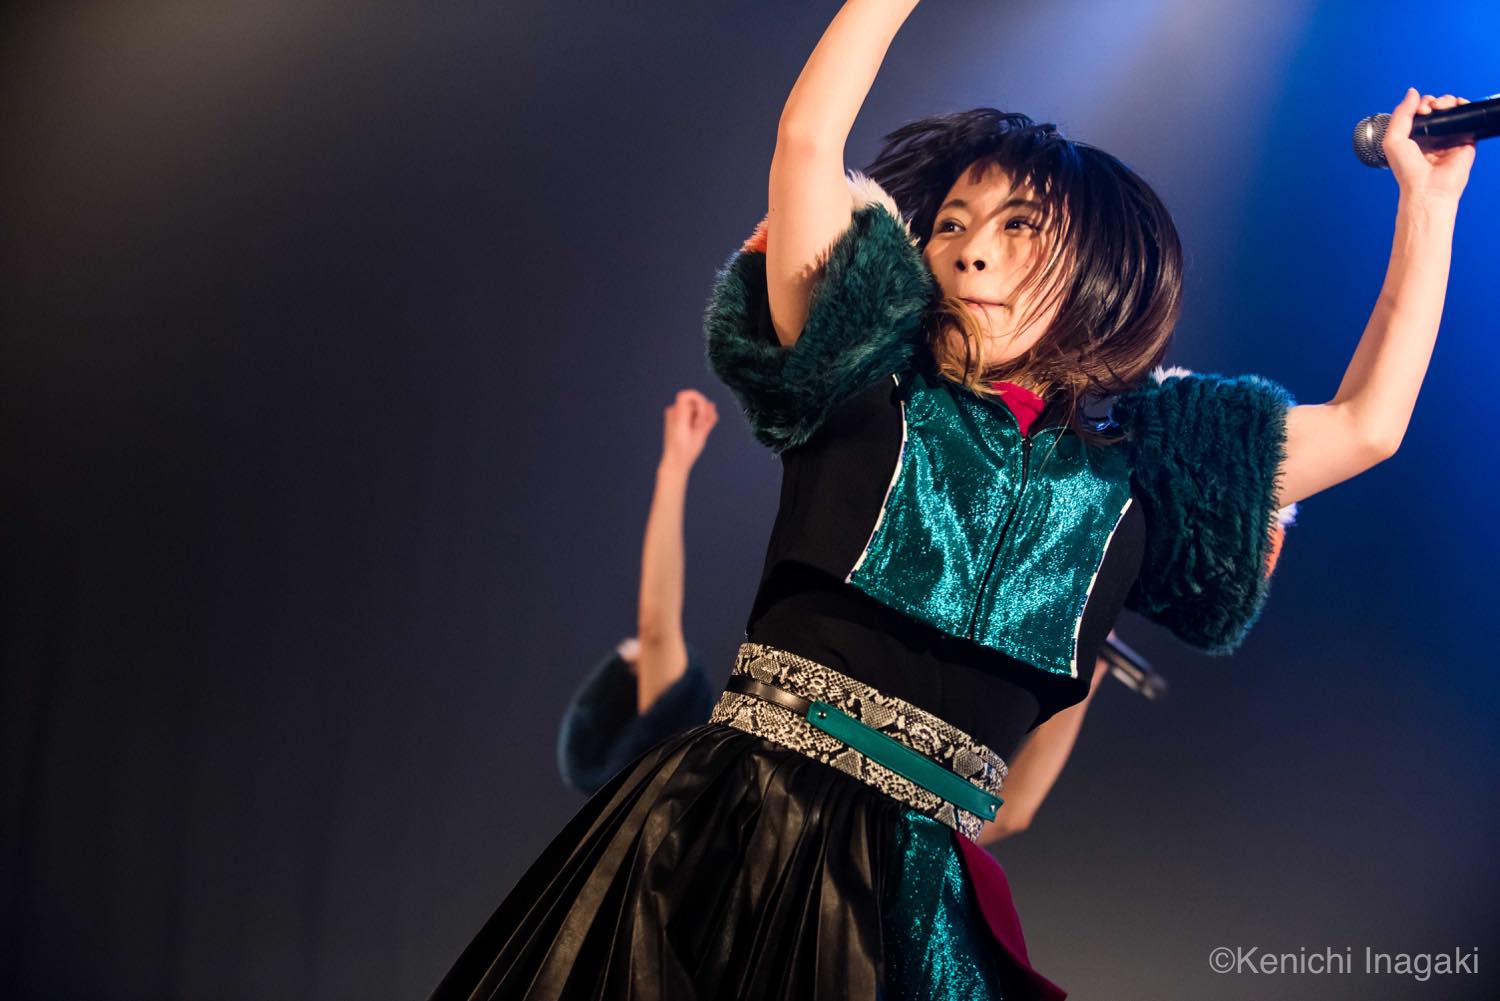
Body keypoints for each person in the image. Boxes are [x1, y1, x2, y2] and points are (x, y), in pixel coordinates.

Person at [429, 2, 1476, 997]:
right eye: (952, 223)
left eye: (1019, 224)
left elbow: (1368, 423)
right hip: (728, 846)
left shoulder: (1138, 487)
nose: (972, 246)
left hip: (920, 911)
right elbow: (808, 142)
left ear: (1098, 267)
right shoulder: (860, 378)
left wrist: (1427, 207)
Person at [556, 388, 1118, 846]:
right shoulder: (708, 771)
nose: (647, 650)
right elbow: (1010, 812)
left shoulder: (670, 834)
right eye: (634, 662)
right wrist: (674, 465)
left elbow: (1013, 815)